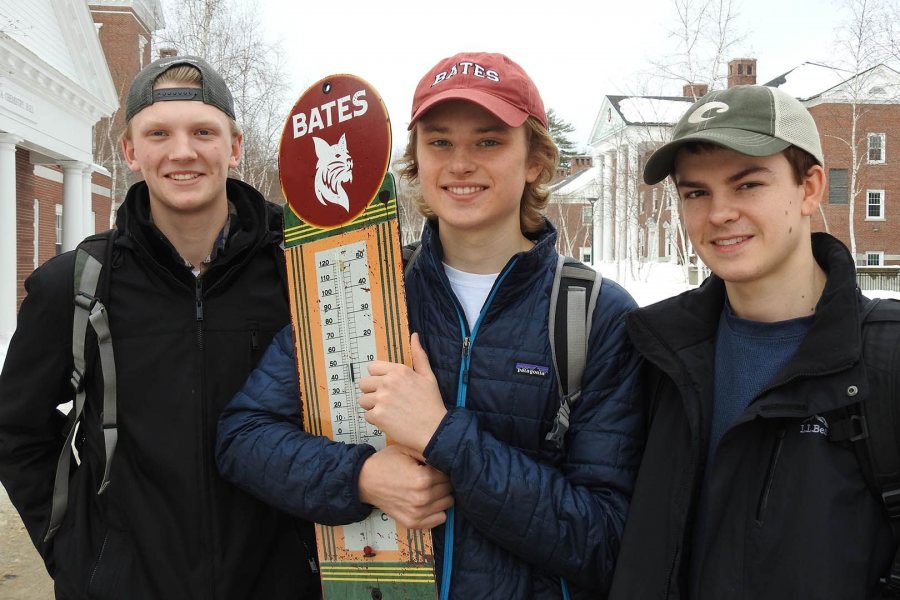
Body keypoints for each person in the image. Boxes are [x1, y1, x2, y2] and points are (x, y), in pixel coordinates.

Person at [216, 51, 644, 599]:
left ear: (534, 160)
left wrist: (445, 438)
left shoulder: (592, 315)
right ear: (416, 158)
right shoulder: (367, 287)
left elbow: (607, 539)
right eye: (440, 142)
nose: (460, 163)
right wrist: (360, 478)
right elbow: (242, 438)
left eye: (488, 141)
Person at [0, 55, 320, 599]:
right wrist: (76, 549)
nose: (182, 152)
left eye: (203, 131)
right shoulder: (75, 287)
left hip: (279, 582)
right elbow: (17, 431)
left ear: (234, 147)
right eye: (158, 133)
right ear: (129, 152)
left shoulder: (302, 271)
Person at [608, 84, 897, 599]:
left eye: (747, 185)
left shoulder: (884, 362)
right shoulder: (655, 354)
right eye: (696, 192)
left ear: (809, 188)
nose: (719, 213)